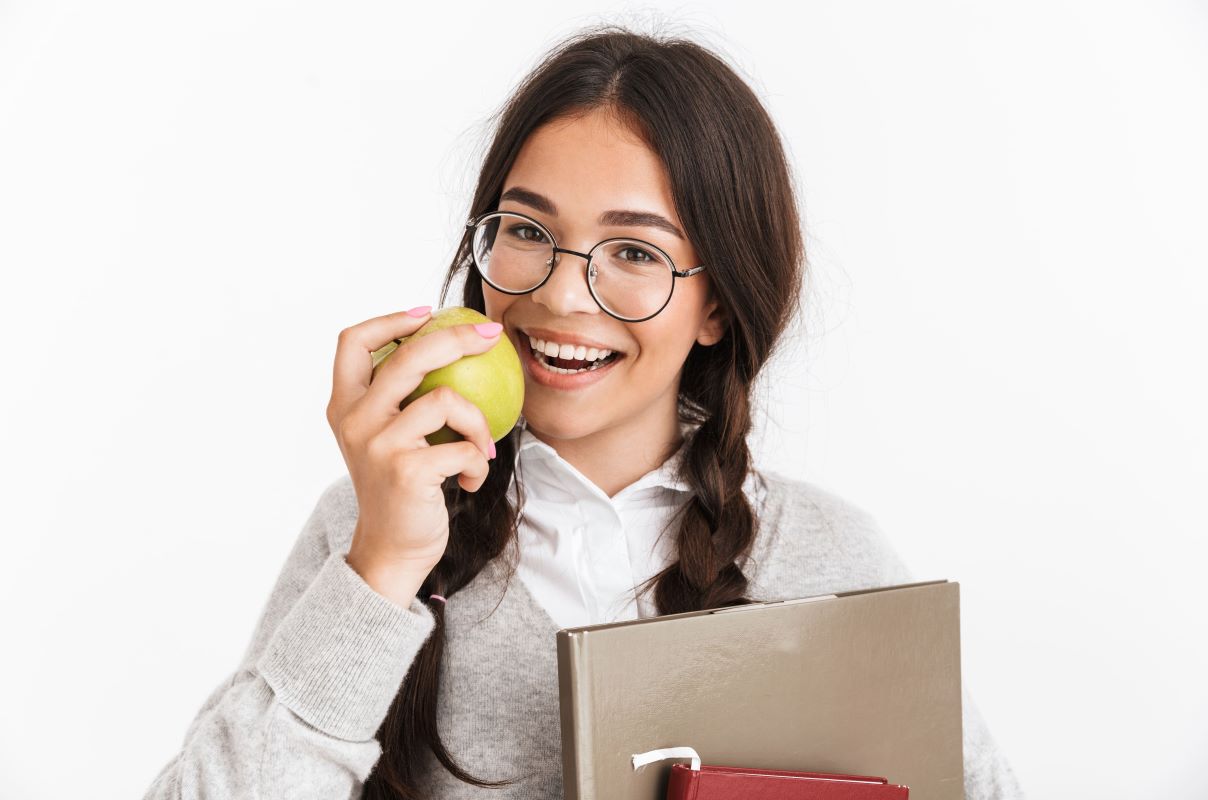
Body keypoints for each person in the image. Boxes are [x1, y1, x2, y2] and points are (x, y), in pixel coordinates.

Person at [143, 24, 1025, 800]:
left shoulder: (832, 558)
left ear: (716, 306)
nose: (562, 294)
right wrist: (381, 570)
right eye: (527, 231)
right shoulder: (367, 531)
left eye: (635, 249)